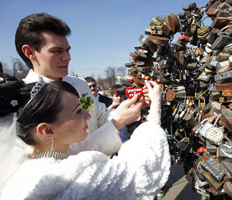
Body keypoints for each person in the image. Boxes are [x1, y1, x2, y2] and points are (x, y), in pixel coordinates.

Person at [0, 73, 170, 199]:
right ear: (46, 130)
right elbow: (141, 169)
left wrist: (118, 118)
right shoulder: (75, 179)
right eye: (78, 112)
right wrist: (155, 105)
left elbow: (81, 148)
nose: (88, 116)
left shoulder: (24, 170)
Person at [15, 13, 142, 156]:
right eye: (57, 51)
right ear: (29, 52)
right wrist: (117, 123)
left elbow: (100, 116)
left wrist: (131, 107)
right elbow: (61, 156)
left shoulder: (79, 84)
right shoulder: (25, 102)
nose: (67, 58)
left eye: (68, 50)